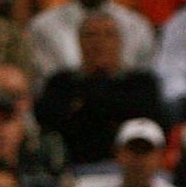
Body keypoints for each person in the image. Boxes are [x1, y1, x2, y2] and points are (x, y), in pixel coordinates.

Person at [35, 12, 165, 170]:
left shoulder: (142, 84)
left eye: (109, 35)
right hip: (73, 169)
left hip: (130, 171)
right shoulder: (60, 83)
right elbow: (53, 124)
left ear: (120, 42)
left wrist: (82, 108)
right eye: (91, 35)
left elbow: (150, 126)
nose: (99, 42)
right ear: (79, 42)